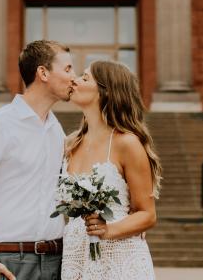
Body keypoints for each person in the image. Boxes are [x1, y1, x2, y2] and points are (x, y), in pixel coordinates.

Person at [0, 40, 76, 280]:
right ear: (43, 73)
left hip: (57, 260)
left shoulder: (56, 130)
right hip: (9, 260)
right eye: (68, 69)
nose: (73, 77)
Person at [58, 60, 160, 280]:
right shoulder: (70, 143)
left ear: (105, 92)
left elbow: (147, 214)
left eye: (85, 78)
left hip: (120, 260)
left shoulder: (127, 143)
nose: (74, 80)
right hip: (76, 259)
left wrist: (108, 230)